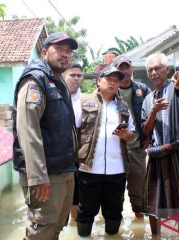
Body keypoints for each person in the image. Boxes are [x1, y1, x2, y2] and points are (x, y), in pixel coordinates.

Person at [12, 32, 78, 240]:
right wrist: (38, 177)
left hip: (63, 169)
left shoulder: (57, 82)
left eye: (68, 51)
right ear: (44, 52)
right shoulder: (35, 80)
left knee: (56, 226)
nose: (65, 55)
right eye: (59, 49)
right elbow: (28, 130)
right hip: (45, 174)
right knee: (41, 229)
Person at [141, 53, 179, 239]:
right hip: (157, 154)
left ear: (166, 69)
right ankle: (155, 236)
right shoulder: (148, 100)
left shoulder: (177, 88)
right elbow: (145, 130)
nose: (153, 72)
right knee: (153, 202)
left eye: (157, 68)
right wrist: (153, 112)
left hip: (177, 154)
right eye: (150, 70)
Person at [75, 66, 136, 237]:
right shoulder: (84, 102)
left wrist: (126, 134)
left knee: (114, 213)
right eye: (108, 79)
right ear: (98, 81)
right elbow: (73, 130)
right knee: (86, 212)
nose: (112, 83)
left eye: (116, 80)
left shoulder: (123, 106)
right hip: (89, 169)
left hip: (117, 170)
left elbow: (132, 134)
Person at [113, 55, 151, 218]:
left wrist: (149, 137)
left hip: (137, 148)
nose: (125, 71)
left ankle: (139, 224)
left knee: (139, 189)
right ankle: (114, 223)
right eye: (120, 68)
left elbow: (152, 115)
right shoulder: (109, 90)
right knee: (114, 191)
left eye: (127, 67)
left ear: (132, 69)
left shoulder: (143, 90)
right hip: (114, 150)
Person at [63, 62, 83, 221]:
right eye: (72, 75)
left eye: (79, 75)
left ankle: (75, 228)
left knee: (77, 195)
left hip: (79, 157)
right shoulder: (55, 97)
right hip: (60, 155)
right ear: (63, 75)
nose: (76, 78)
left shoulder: (86, 101)